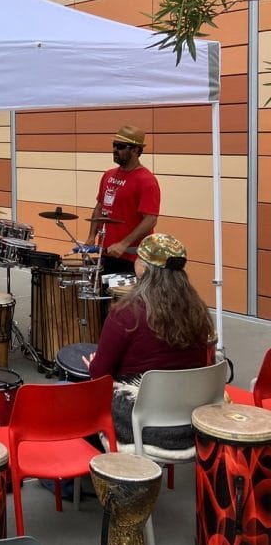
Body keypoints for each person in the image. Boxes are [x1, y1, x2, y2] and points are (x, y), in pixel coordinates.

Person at [87, 233, 214, 449]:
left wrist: (93, 365)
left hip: (139, 423)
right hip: (189, 422)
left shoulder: (126, 314)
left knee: (77, 392)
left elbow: (100, 374)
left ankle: (92, 465)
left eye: (138, 258)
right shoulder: (198, 311)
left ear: (143, 268)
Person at [86, 125, 160, 275]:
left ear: (135, 150)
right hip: (107, 252)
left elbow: (150, 219)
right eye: (114, 145)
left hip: (132, 258)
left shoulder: (147, 180)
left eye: (120, 146)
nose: (115, 150)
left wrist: (123, 244)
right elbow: (100, 206)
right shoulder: (108, 175)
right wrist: (91, 236)